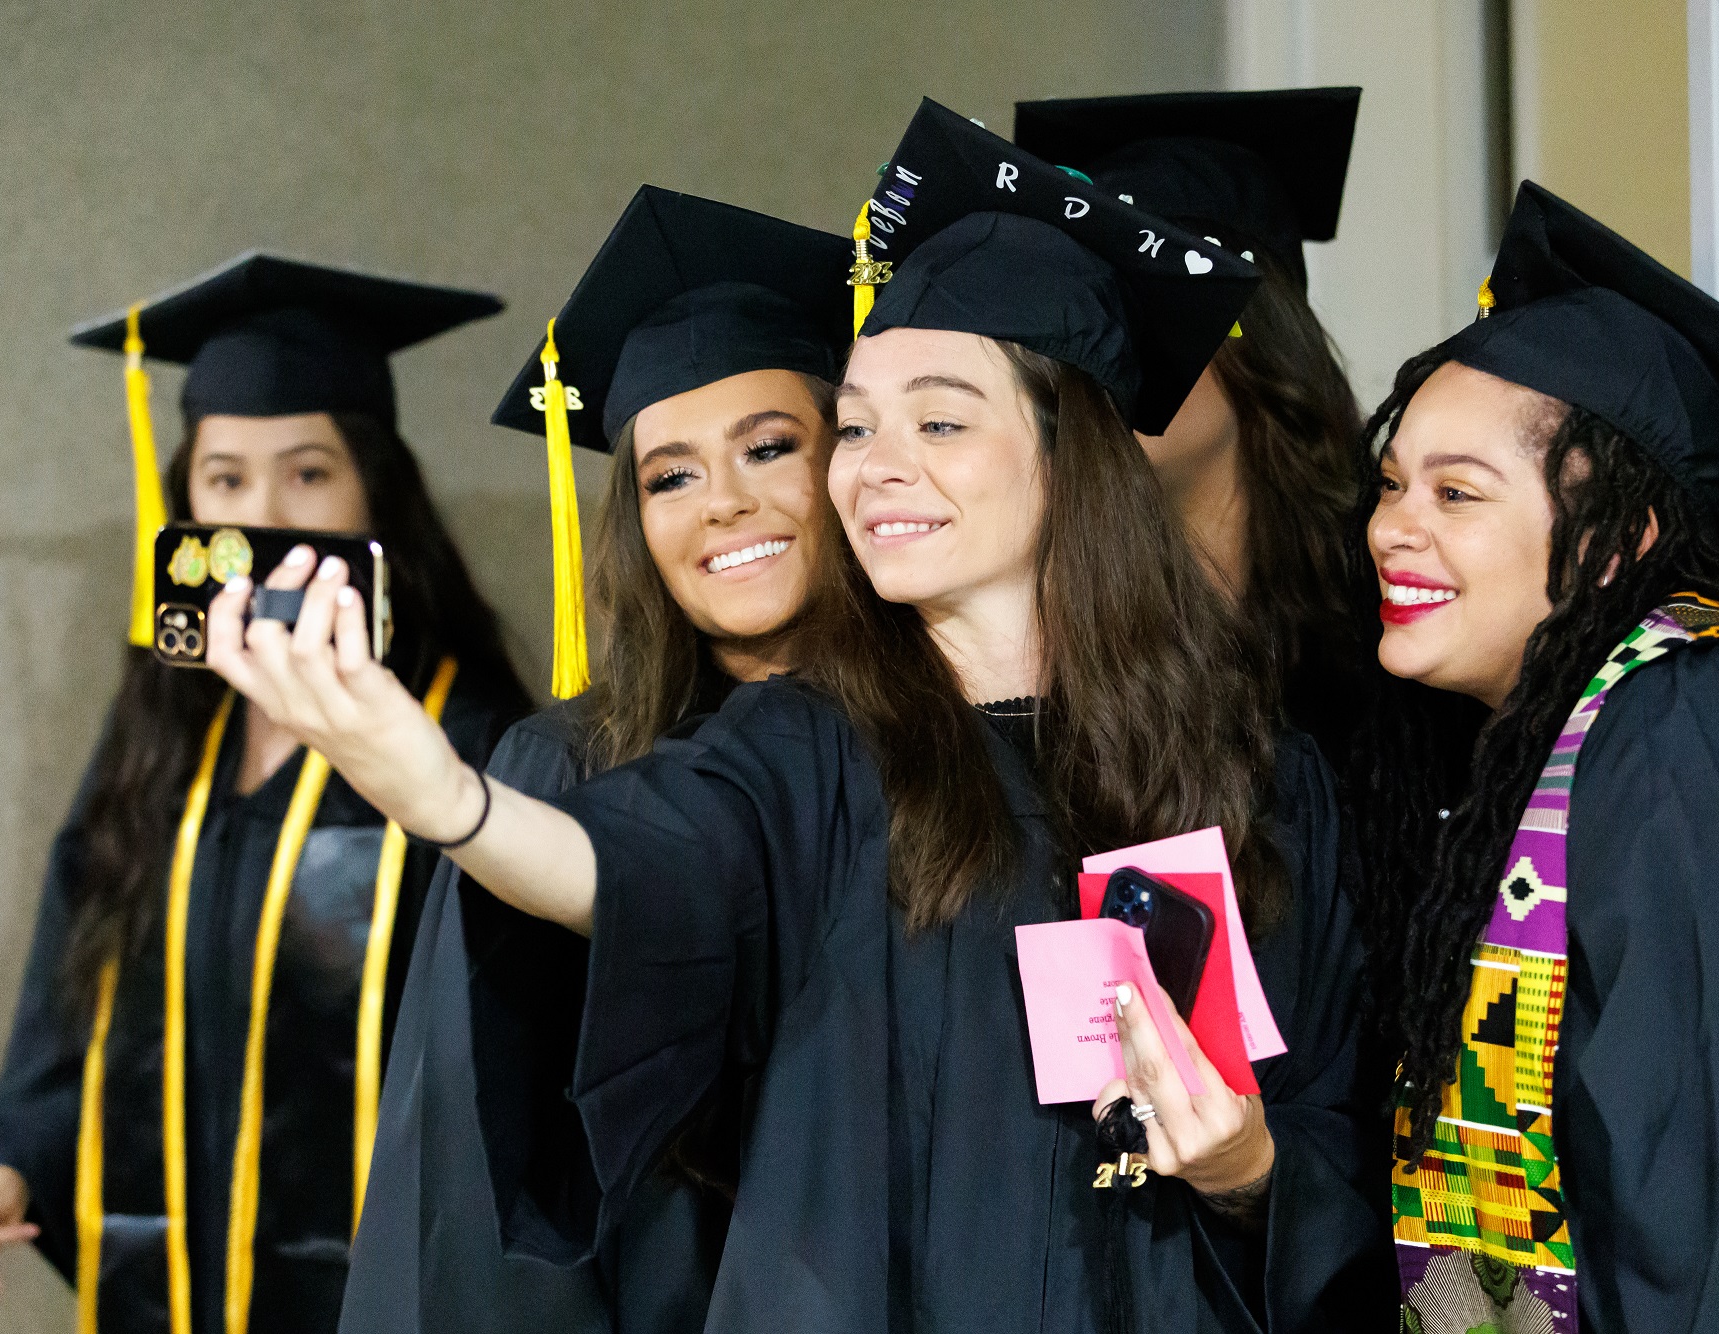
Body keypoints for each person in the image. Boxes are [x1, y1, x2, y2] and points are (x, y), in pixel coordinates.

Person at [203, 101, 1391, 1332]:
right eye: (859, 424)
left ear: (1065, 451)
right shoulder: (814, 748)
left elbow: (1323, 1158)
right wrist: (447, 797)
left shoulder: (1256, 776)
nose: (873, 464)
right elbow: (636, 861)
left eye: (936, 420)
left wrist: (1245, 1169)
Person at [1350, 183, 1719, 1331]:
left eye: (1455, 492)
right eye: (1390, 482)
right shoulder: (1588, 736)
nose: (1389, 526)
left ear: (1620, 541)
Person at [0, 254, 530, 1334]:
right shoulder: (167, 735)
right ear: (185, 508)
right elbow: (76, 966)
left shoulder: (468, 742)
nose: (265, 515)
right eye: (224, 480)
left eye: (308, 472)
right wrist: (14, 1169)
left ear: (374, 495)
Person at [337, 186, 852, 1334]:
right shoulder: (561, 772)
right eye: (669, 474)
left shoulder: (955, 746)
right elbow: (471, 1183)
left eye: (770, 447)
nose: (722, 502)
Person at [1015, 88, 1368, 760]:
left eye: (1137, 309)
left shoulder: (1388, 653)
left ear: (1257, 347)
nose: (1095, 351)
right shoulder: (1029, 658)